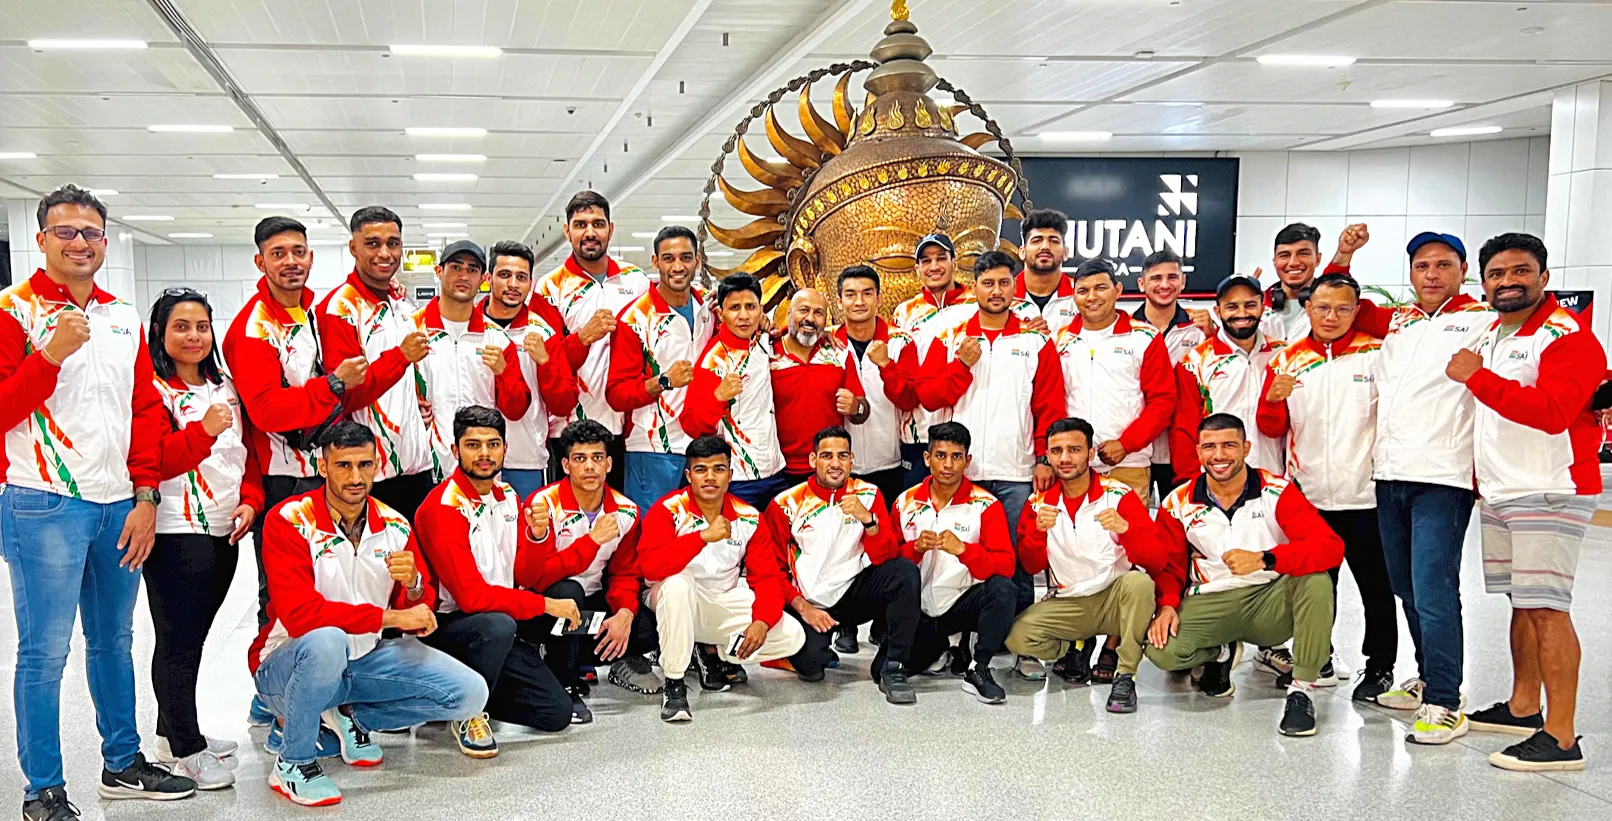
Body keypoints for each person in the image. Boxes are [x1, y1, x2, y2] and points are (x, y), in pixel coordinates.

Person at [0, 184, 197, 818]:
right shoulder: (12, 310)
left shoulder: (120, 315)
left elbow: (144, 411)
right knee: (42, 652)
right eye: (66, 231)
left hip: (121, 505)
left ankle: (122, 763)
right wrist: (50, 357)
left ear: (105, 241)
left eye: (90, 232)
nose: (79, 242)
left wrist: (145, 495)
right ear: (41, 239)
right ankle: (44, 789)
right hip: (45, 504)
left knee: (113, 641)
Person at [252, 422, 488, 807]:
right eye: (343, 465)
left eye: (365, 465)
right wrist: (392, 619)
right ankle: (293, 763)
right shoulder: (289, 520)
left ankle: (349, 716)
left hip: (362, 662)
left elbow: (419, 604)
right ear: (323, 466)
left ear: (378, 465)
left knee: (470, 693)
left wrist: (413, 586)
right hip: (287, 667)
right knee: (327, 640)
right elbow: (300, 616)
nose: (356, 477)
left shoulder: (395, 524)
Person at [1331, 228, 1493, 744]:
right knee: (1405, 586)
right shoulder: (1399, 322)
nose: (1432, 275)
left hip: (1442, 478)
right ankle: (1427, 677)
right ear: (1410, 273)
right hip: (1390, 474)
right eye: (1423, 266)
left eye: (1444, 265)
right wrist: (1347, 255)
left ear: (1463, 270)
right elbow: (1338, 300)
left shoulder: (1482, 322)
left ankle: (1446, 699)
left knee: (1434, 588)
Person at [1452, 233, 1604, 771]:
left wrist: (1478, 379)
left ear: (1543, 276)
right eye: (1497, 273)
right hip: (1502, 488)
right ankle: (1523, 707)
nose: (1508, 281)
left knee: (1547, 608)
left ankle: (1562, 737)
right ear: (1485, 281)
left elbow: (1554, 411)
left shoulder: (1567, 336)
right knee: (1523, 602)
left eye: (1521, 271)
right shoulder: (1494, 331)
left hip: (1549, 488)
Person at [227, 216, 379, 657]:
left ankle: (331, 684)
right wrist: (333, 384)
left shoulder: (313, 310)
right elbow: (268, 410)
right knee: (281, 594)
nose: (291, 262)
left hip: (327, 473)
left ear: (311, 257)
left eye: (298, 252)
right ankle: (273, 691)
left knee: (333, 581)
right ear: (260, 261)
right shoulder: (252, 328)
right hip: (285, 479)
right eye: (278, 254)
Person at [914, 251, 1065, 680]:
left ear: (1014, 287)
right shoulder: (949, 335)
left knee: (1015, 562)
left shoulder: (1035, 342)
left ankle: (1016, 644)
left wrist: (1041, 457)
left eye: (1004, 283)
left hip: (1016, 471)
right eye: (987, 283)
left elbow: (1049, 405)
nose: (996, 291)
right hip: (959, 473)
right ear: (974, 285)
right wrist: (961, 364)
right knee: (955, 557)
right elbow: (928, 396)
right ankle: (959, 640)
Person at [1146, 414, 1344, 737]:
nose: (1219, 455)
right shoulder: (1177, 502)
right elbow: (1167, 566)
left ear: (1246, 448)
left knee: (1316, 581)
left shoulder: (1277, 491)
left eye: (1228, 445)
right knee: (1160, 650)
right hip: (1211, 600)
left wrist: (1266, 559)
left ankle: (1301, 691)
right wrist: (1167, 604)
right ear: (1198, 453)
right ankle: (1221, 652)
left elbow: (1330, 547)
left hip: (1268, 600)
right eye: (1209, 447)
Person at [1256, 273, 1395, 699]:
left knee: (1377, 587)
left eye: (1342, 308)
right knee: (1317, 588)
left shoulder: (1377, 354)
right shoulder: (1288, 360)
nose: (1331, 316)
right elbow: (1270, 427)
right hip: (1310, 497)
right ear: (1308, 309)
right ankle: (1319, 657)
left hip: (1367, 495)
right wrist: (1272, 400)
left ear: (1357, 310)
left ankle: (1381, 666)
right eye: (1322, 307)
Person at [147, 289, 264, 790]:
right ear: (161, 333)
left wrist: (252, 501)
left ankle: (170, 732)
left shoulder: (225, 385)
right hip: (176, 529)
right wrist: (201, 430)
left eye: (201, 326)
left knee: (194, 638)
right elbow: (155, 462)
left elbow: (249, 454)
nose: (194, 336)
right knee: (177, 641)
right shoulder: (153, 388)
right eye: (181, 327)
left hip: (224, 528)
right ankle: (187, 749)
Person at [413, 406, 578, 757]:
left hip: (498, 621)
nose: (485, 454)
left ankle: (458, 696)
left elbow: (525, 577)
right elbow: (471, 598)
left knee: (556, 713)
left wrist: (537, 537)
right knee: (499, 625)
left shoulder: (508, 497)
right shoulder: (443, 506)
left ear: (505, 448)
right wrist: (545, 605)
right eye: (473, 445)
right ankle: (465, 709)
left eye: (493, 444)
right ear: (455, 451)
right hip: (451, 629)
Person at [636, 436, 807, 722]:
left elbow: (766, 577)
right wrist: (701, 538)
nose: (710, 477)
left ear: (730, 473)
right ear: (688, 475)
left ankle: (713, 650)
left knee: (793, 635)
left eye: (718, 468)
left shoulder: (749, 516)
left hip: (720, 600)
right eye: (701, 469)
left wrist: (762, 621)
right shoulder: (668, 510)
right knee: (678, 584)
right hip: (671, 597)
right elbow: (651, 568)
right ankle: (675, 683)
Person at [1005, 418, 1165, 714]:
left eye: (1074, 450)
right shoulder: (1037, 503)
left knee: (1139, 584)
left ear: (1090, 454)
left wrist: (1126, 530)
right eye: (1057, 451)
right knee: (1017, 637)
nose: (1065, 458)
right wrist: (1038, 534)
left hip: (1114, 598)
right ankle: (1073, 648)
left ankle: (1125, 674)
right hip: (1071, 601)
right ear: (1048, 456)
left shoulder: (1119, 495)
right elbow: (1030, 565)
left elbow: (1157, 559)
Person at [765, 426, 919, 703]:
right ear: (813, 461)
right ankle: (802, 650)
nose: (835, 463)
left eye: (842, 456)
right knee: (812, 669)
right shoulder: (785, 504)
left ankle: (893, 666)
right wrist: (804, 607)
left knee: (904, 573)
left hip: (854, 594)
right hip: (811, 603)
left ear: (852, 460)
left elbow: (886, 555)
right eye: (826, 456)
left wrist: (868, 520)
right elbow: (772, 570)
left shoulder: (869, 494)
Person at [523, 420, 663, 721]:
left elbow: (624, 573)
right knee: (569, 593)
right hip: (545, 604)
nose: (589, 467)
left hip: (590, 604)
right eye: (579, 459)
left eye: (597, 458)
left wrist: (624, 613)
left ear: (609, 464)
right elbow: (534, 577)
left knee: (644, 626)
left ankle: (601, 662)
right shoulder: (542, 504)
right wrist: (591, 541)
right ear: (565, 465)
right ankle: (564, 683)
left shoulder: (626, 511)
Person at [317, 205, 434, 519]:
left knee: (414, 564)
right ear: (353, 248)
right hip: (370, 472)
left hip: (415, 464)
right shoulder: (340, 308)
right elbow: (346, 395)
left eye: (393, 243)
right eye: (372, 243)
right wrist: (399, 358)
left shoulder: (399, 301)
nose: (385, 252)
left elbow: (402, 377)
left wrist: (416, 400)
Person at [534, 191, 653, 489]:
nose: (590, 232)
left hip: (625, 427)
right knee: (569, 518)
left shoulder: (636, 280)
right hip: (567, 427)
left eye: (598, 224)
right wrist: (582, 339)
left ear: (611, 229)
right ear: (567, 231)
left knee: (619, 515)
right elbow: (547, 362)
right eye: (580, 224)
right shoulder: (549, 287)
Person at [892, 422, 1017, 703]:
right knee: (882, 672)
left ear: (967, 460)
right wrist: (913, 550)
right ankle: (945, 649)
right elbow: (887, 567)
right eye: (940, 456)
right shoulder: (904, 503)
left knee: (1003, 590)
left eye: (956, 457)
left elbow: (1005, 566)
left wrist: (965, 551)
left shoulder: (986, 505)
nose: (948, 465)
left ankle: (979, 667)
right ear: (926, 458)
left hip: (962, 605)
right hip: (918, 610)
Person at [607, 226, 716, 511]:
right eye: (668, 258)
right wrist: (664, 381)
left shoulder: (711, 306)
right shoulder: (635, 319)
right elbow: (617, 394)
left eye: (686, 257)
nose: (678, 266)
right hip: (653, 449)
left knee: (698, 542)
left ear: (698, 261)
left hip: (704, 445)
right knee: (650, 543)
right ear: (655, 262)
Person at [1055, 257, 1174, 505]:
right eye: (1083, 291)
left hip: (1128, 464)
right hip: (1072, 467)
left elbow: (1163, 402)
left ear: (1117, 290)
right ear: (1074, 296)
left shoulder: (1144, 337)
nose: (1092, 297)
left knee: (1129, 542)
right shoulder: (1060, 340)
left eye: (1101, 288)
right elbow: (1052, 402)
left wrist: (1126, 444)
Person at [411, 240, 532, 468]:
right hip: (424, 464)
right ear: (439, 271)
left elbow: (516, 410)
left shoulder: (496, 339)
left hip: (482, 466)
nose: (464, 276)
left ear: (483, 279)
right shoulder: (411, 329)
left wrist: (503, 373)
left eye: (472, 270)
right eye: (456, 267)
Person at [479, 240, 579, 501]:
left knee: (528, 536)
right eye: (504, 275)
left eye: (521, 277)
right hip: (471, 457)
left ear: (531, 284)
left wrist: (545, 363)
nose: (513, 284)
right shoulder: (469, 328)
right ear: (488, 278)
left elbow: (564, 403)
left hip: (526, 460)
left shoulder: (544, 332)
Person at [680, 274, 787, 508]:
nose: (744, 316)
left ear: (761, 310)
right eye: (734, 308)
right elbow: (690, 424)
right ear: (721, 313)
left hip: (776, 471)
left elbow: (801, 334)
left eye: (750, 307)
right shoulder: (712, 361)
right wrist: (717, 397)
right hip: (738, 478)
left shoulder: (764, 340)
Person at [1171, 274, 1285, 486]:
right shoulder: (1194, 362)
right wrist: (1191, 482)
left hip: (1272, 476)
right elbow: (1184, 430)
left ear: (1262, 307)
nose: (1242, 313)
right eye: (1232, 306)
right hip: (1215, 480)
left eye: (1250, 305)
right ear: (1218, 311)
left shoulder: (1284, 356)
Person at [1133, 249, 1218, 504]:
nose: (1164, 285)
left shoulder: (1199, 328)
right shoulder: (1125, 328)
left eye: (1172, 277)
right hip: (1138, 447)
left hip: (1184, 449)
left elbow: (1220, 376)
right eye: (1156, 278)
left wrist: (1213, 336)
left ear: (1183, 281)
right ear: (1141, 284)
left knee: (1185, 524)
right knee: (1135, 528)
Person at [891, 232, 972, 490]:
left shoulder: (975, 305)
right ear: (917, 269)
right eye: (926, 261)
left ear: (954, 264)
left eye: (941, 258)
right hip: (915, 434)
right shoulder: (904, 312)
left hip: (963, 431)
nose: (934, 266)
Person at [832, 265, 914, 506]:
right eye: (850, 294)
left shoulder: (901, 342)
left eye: (867, 293)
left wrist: (886, 365)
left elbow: (910, 400)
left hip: (890, 464)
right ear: (839, 301)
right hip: (840, 467)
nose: (859, 301)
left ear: (878, 298)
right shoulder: (826, 345)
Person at [769, 287, 868, 486]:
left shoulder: (839, 354)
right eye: (803, 310)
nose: (811, 319)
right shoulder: (767, 353)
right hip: (778, 470)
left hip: (829, 469)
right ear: (789, 313)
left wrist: (856, 407)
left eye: (818, 313)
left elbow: (863, 410)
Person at [1015, 208, 1078, 331]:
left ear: (1066, 253)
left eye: (1054, 241)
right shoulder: (1002, 295)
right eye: (1037, 240)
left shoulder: (1081, 295)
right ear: (1022, 252)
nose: (1045, 247)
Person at [1262, 223, 1326, 345]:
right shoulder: (1255, 305)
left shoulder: (1334, 307)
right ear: (1275, 261)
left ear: (1317, 259)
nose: (1293, 262)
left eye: (1303, 253)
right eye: (1284, 255)